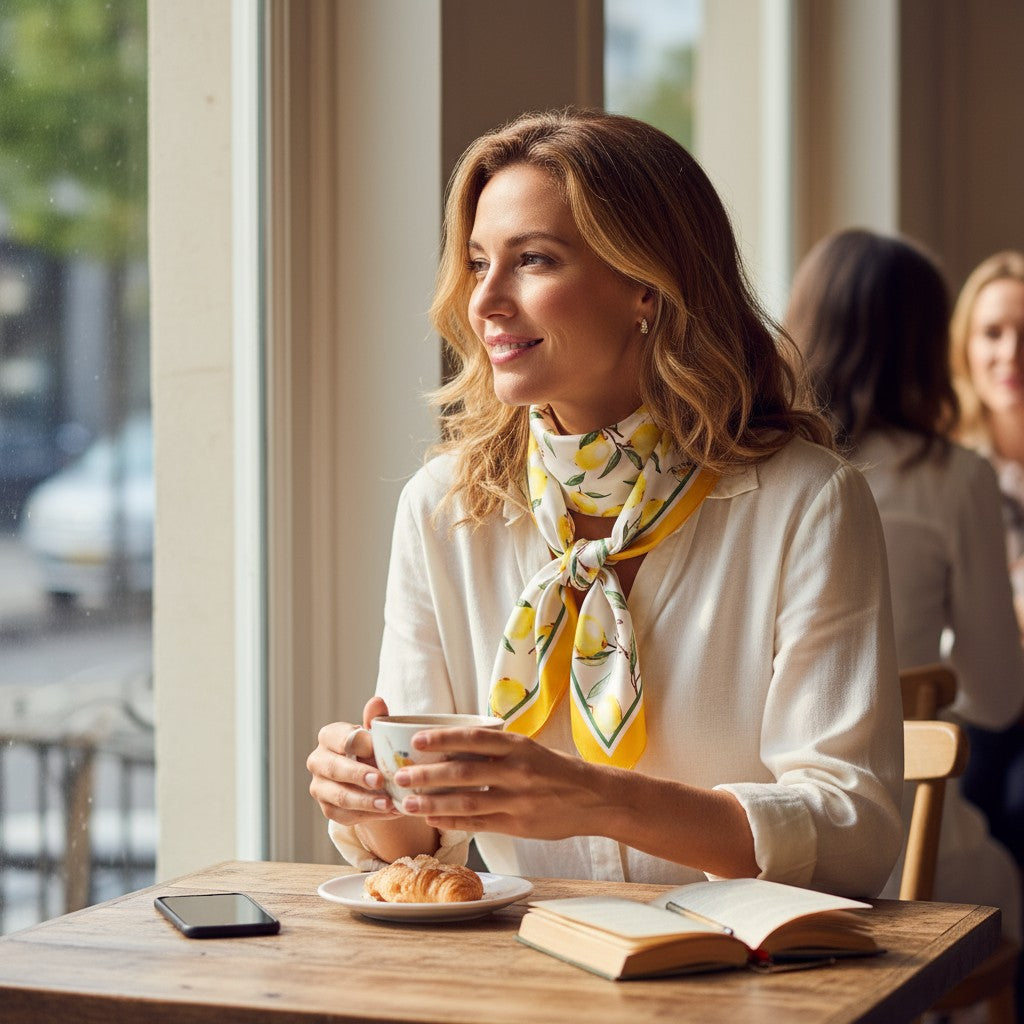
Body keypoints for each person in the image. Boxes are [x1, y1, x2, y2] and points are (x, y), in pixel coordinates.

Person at [306, 109, 903, 897]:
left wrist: (597, 799)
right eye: (479, 262)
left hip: (747, 983)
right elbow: (426, 838)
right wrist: (375, 795)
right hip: (530, 978)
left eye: (534, 261)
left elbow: (852, 835)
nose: (484, 300)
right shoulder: (444, 509)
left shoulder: (809, 504)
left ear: (647, 289)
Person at [785, 228, 1024, 939]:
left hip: (760, 850)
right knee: (1002, 873)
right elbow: (998, 694)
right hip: (904, 850)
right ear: (929, 346)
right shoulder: (955, 478)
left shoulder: (752, 470)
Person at [949, 249, 1024, 869]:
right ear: (965, 347)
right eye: (993, 333)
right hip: (971, 699)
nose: (1010, 355)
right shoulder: (948, 469)